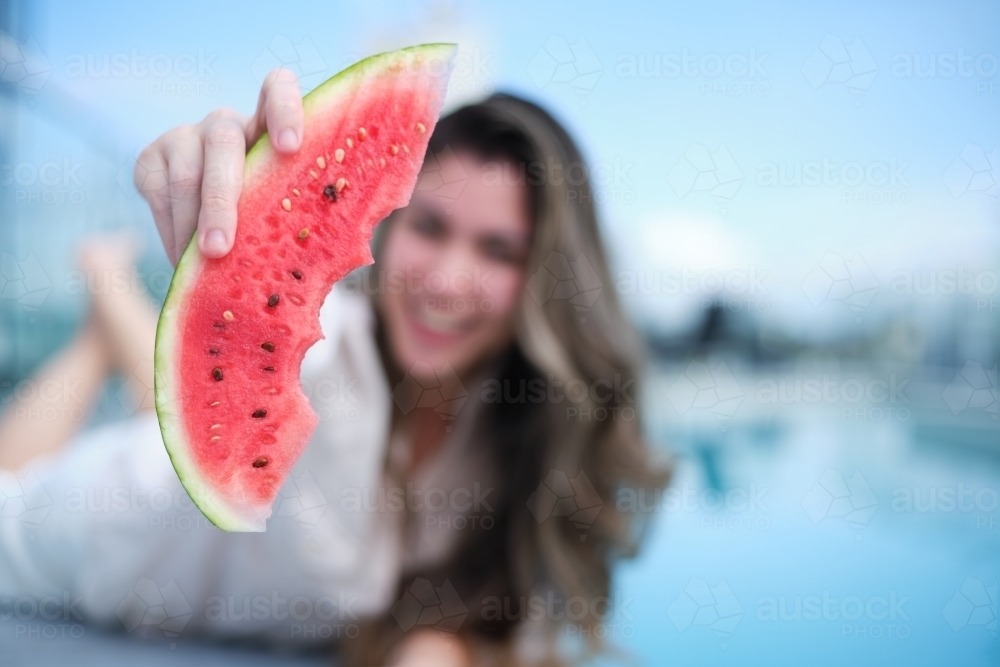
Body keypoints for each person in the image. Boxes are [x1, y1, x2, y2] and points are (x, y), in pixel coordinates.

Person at [0, 68, 668, 665]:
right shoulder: (326, 347)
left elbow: (470, 614)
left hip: (207, 544)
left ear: (548, 278)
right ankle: (107, 287)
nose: (446, 280)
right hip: (97, 531)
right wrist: (244, 192)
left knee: (157, 410)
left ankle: (102, 314)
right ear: (391, 226)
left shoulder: (521, 430)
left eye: (498, 250)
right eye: (429, 227)